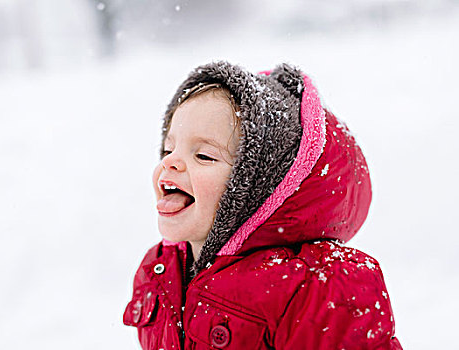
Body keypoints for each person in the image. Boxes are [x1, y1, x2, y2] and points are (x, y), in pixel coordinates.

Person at [123, 61, 402, 349]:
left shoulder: (315, 288)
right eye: (169, 149)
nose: (169, 162)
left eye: (204, 156)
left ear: (258, 188)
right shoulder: (162, 271)